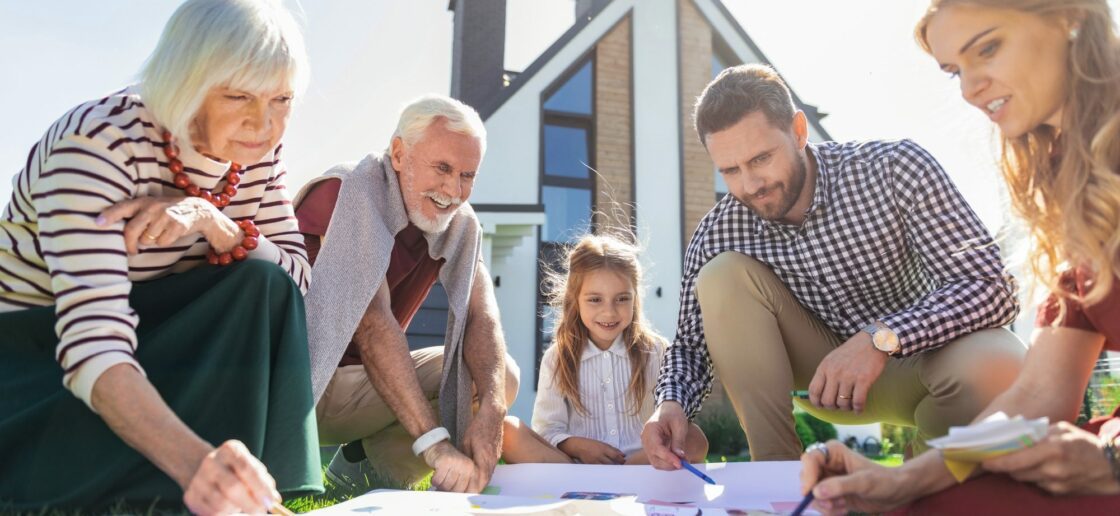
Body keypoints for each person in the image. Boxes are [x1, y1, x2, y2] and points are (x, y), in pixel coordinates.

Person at [798, 1, 1120, 513]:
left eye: (988, 48)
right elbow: (1037, 396)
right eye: (955, 72)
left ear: (1069, 18)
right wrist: (902, 481)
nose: (970, 90)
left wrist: (1112, 462)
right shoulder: (1076, 193)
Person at [0, 0, 320, 512]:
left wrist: (214, 223)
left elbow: (296, 286)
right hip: (33, 368)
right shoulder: (97, 143)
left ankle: (247, 487)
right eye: (239, 96)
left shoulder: (255, 154)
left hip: (146, 345)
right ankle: (193, 482)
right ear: (187, 80)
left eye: (281, 99)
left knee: (262, 283)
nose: (264, 124)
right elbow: (92, 350)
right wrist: (199, 465)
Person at [642, 63, 1027, 469]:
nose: (750, 184)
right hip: (822, 383)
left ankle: (926, 479)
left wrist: (881, 338)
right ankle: (777, 478)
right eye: (730, 170)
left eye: (761, 158)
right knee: (720, 275)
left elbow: (992, 286)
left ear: (799, 132)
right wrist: (670, 404)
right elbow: (690, 345)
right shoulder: (720, 230)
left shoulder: (895, 168)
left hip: (924, 360)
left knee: (1003, 362)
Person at [295, 94, 518, 494]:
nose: (454, 189)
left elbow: (482, 316)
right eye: (443, 168)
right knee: (469, 384)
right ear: (398, 154)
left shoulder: (459, 223)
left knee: (503, 379)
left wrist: (493, 409)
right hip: (303, 384)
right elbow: (372, 323)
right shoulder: (348, 190)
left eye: (468, 175)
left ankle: (364, 474)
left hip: (362, 386)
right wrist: (437, 446)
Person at [500, 234, 709, 465]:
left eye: (621, 299)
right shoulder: (558, 358)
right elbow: (546, 431)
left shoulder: (657, 351)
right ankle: (591, 480)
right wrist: (578, 446)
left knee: (695, 438)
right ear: (575, 299)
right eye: (595, 300)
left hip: (643, 462)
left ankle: (623, 476)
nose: (609, 312)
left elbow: (674, 421)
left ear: (635, 299)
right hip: (579, 466)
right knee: (507, 430)